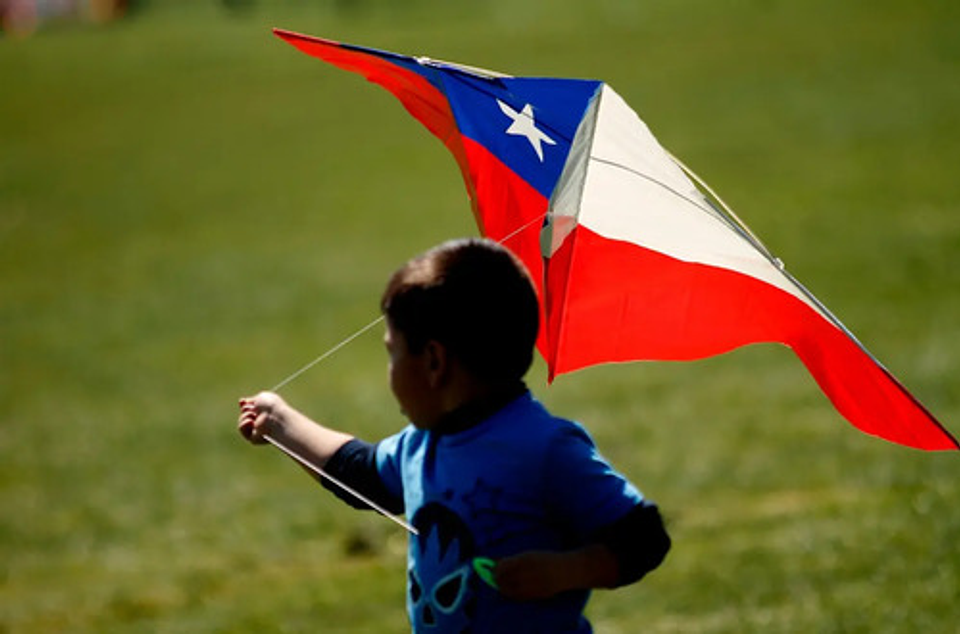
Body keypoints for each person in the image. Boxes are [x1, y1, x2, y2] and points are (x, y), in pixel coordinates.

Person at [238, 237, 670, 633]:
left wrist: (566, 571)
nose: (389, 372)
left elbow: (643, 537)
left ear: (433, 361)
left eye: (392, 353)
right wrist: (280, 422)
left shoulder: (543, 448)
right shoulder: (420, 445)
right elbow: (362, 476)